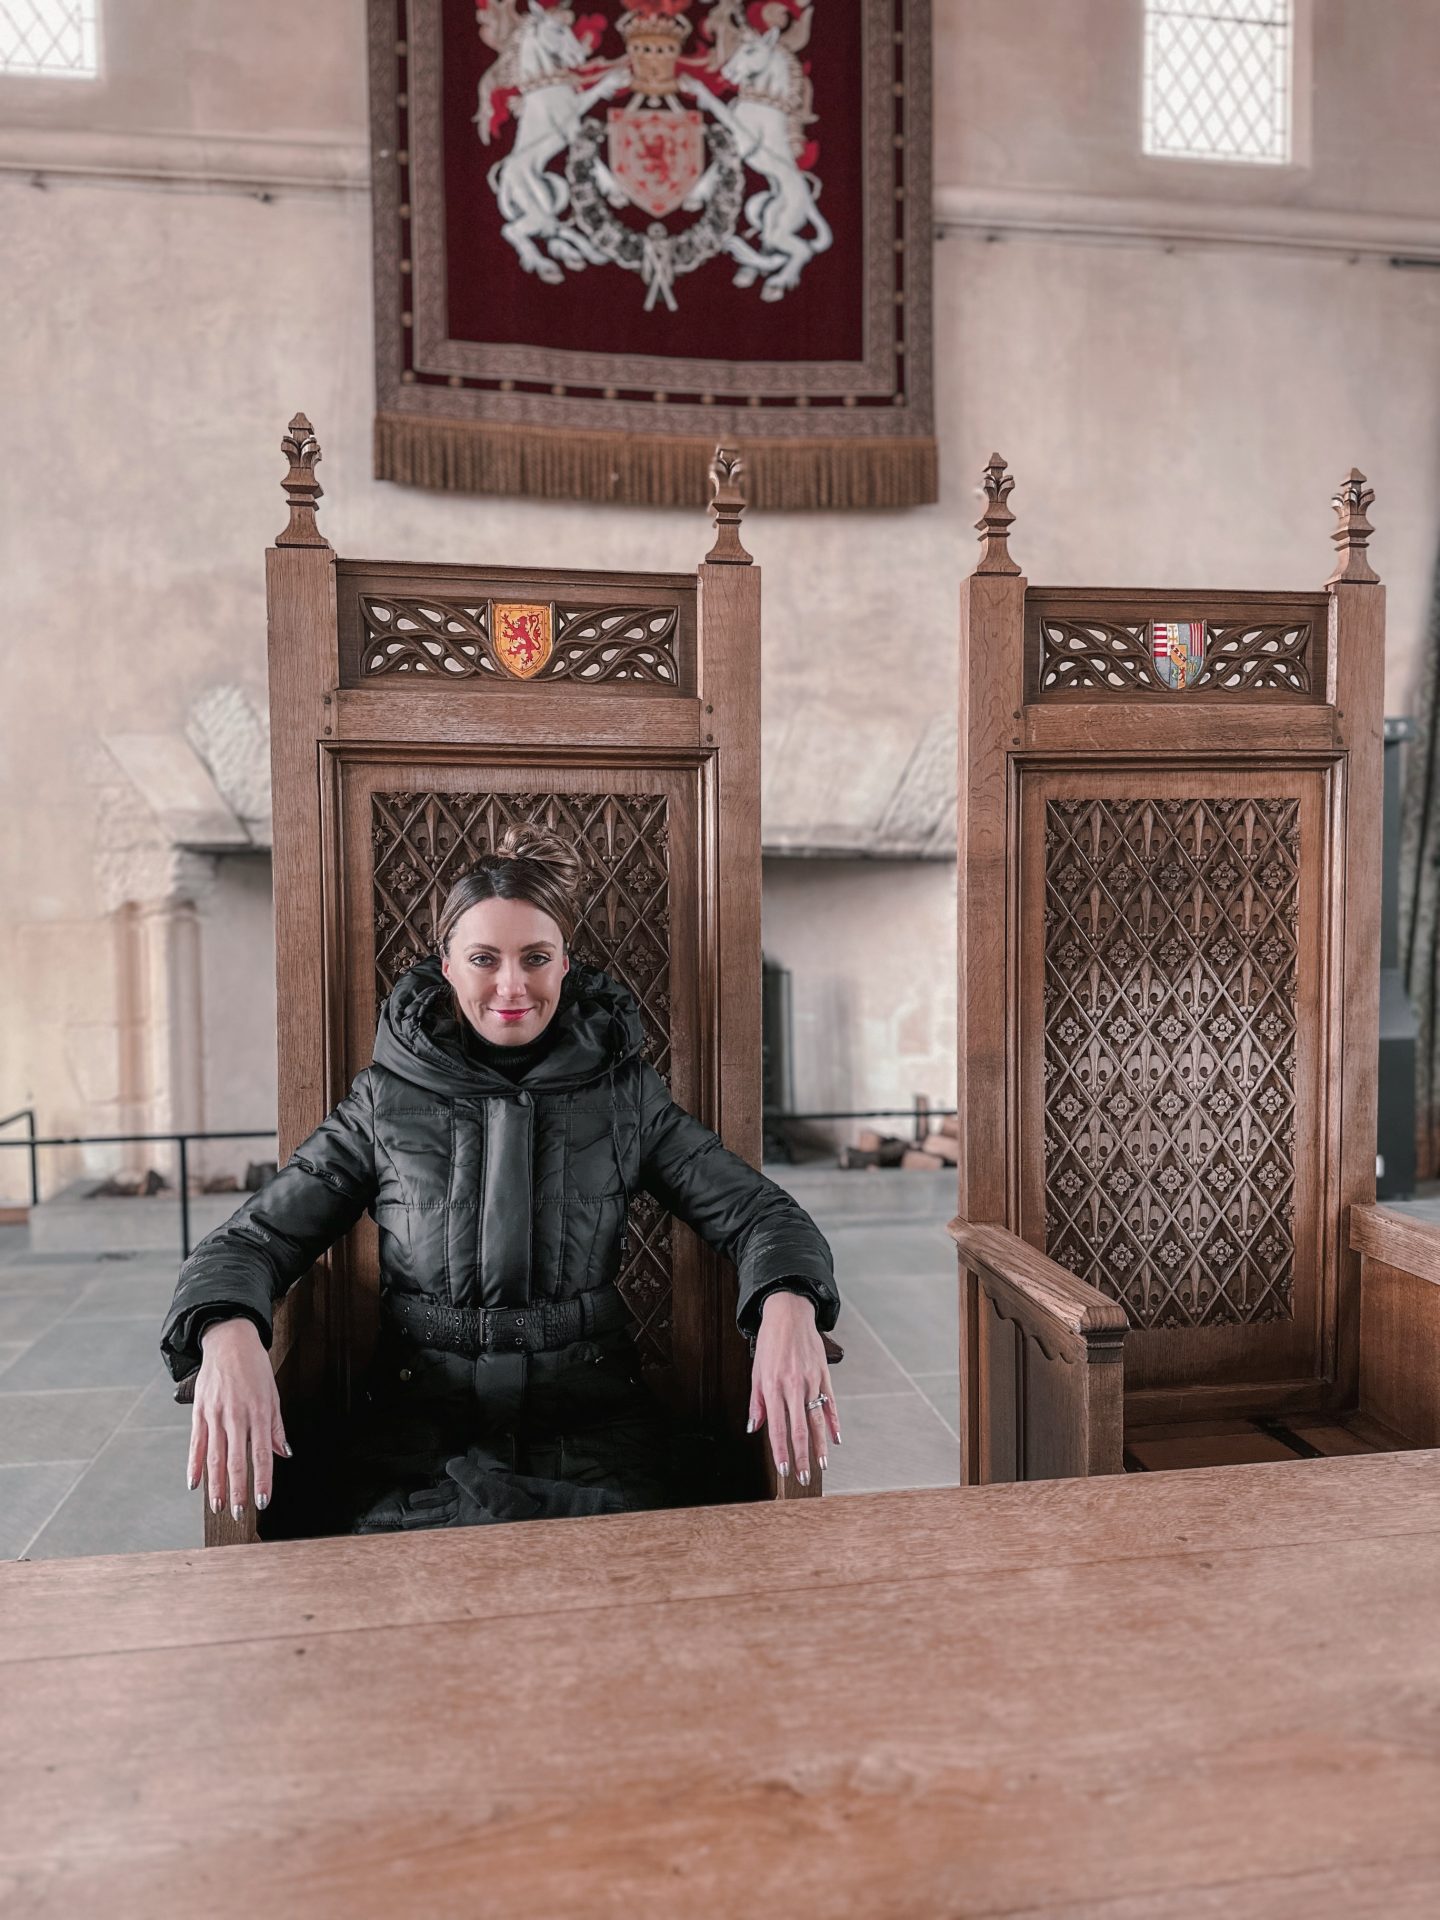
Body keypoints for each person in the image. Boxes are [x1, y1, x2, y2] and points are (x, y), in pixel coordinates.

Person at [159, 825, 841, 1533]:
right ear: (446, 964)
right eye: (484, 958)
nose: (511, 985)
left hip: (593, 1425)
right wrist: (227, 1328)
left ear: (565, 964)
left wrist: (787, 1301)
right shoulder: (383, 1101)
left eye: (535, 958)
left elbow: (763, 1214)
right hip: (418, 1430)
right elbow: (249, 1242)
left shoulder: (625, 1094)